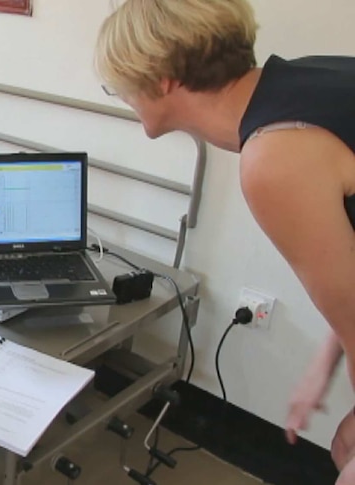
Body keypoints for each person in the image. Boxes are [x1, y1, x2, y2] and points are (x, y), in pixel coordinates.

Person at [95, 0, 355, 482]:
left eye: (122, 84)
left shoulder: (275, 156)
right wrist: (326, 362)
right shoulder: (312, 81)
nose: (124, 97)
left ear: (164, 78)